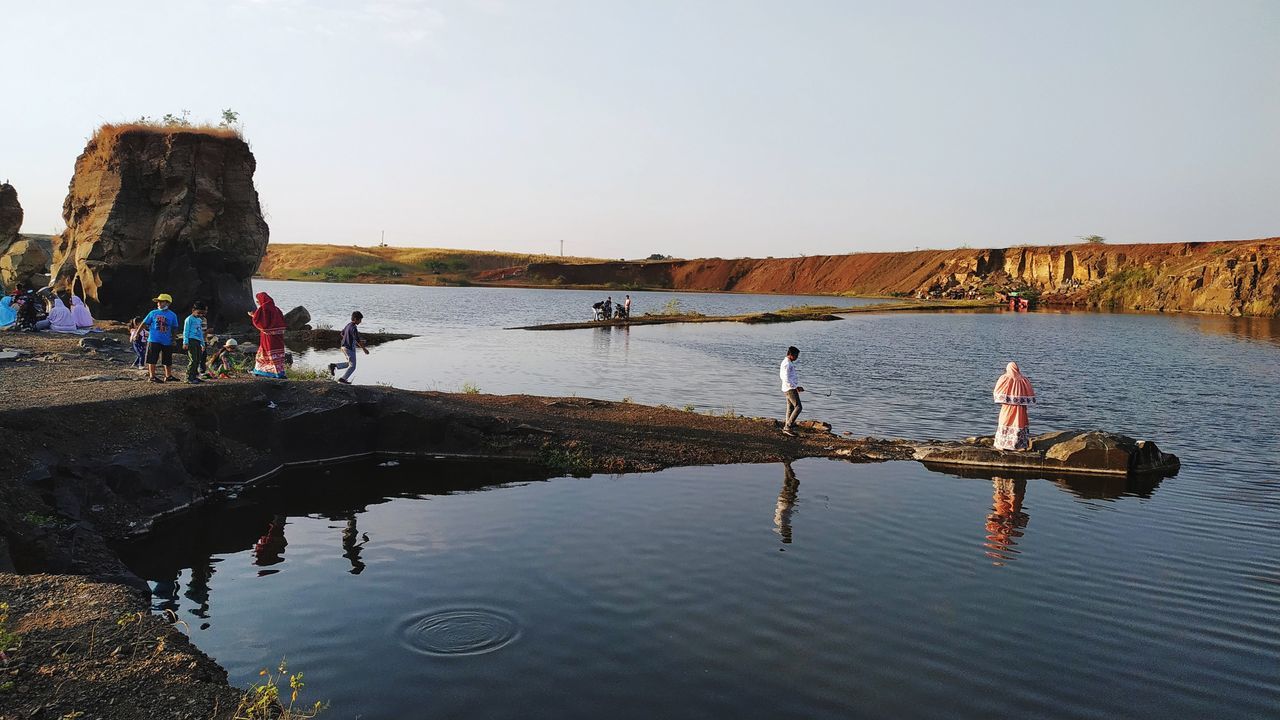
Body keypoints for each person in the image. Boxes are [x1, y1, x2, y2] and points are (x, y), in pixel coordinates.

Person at [992, 361, 1036, 450]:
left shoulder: (1004, 378)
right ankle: (1019, 445)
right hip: (1021, 408)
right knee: (1019, 423)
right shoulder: (1024, 380)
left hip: (1008, 406)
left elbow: (997, 391)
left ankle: (1002, 444)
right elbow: (1030, 393)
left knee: (1005, 422)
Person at [142, 293, 180, 383]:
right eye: (158, 302)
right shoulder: (153, 313)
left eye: (161, 301)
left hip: (167, 340)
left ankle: (168, 376)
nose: (158, 303)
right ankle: (152, 376)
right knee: (152, 358)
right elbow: (144, 323)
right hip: (154, 339)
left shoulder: (172, 315)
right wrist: (136, 333)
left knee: (167, 359)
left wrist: (174, 339)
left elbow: (175, 327)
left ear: (167, 303)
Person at [248, 291, 287, 378]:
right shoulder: (276, 309)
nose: (257, 302)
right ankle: (279, 373)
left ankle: (264, 372)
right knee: (276, 354)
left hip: (268, 338)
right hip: (278, 337)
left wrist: (253, 315)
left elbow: (261, 323)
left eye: (258, 300)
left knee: (266, 353)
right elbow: (281, 321)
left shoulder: (263, 308)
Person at [328, 311, 368, 384]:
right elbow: (357, 339)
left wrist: (349, 339)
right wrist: (364, 349)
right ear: (355, 319)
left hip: (343, 347)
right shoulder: (353, 328)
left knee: (349, 364)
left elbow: (342, 333)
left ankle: (334, 366)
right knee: (353, 366)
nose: (360, 322)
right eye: (360, 320)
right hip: (349, 348)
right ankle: (342, 379)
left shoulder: (348, 325)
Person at [779, 346, 805, 436]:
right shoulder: (787, 364)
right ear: (791, 355)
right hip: (790, 389)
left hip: (788, 388)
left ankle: (788, 425)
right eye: (796, 356)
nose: (797, 358)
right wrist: (795, 387)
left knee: (790, 407)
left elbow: (789, 378)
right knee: (798, 407)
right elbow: (785, 378)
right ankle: (788, 427)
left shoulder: (787, 362)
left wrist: (796, 386)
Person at [182, 301, 208, 384]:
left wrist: (202, 343)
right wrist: (185, 342)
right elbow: (185, 331)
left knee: (198, 359)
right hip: (191, 340)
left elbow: (200, 332)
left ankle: (194, 376)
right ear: (193, 310)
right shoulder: (189, 319)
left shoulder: (199, 320)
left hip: (198, 341)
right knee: (193, 359)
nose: (200, 315)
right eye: (199, 312)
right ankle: (188, 377)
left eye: (202, 313)